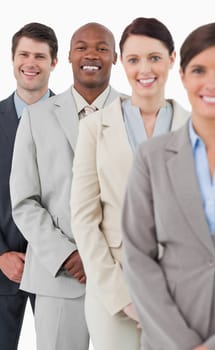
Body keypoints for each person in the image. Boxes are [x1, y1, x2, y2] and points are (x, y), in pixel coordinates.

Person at [70, 17, 189, 350]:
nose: (145, 69)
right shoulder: (95, 128)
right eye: (134, 59)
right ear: (122, 62)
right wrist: (122, 297)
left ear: (172, 58)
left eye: (154, 57)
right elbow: (83, 217)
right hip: (113, 294)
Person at [9, 22, 121, 350]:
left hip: (122, 277)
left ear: (115, 57)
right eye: (82, 47)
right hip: (58, 278)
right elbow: (24, 201)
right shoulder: (36, 117)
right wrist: (67, 254)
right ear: (69, 56)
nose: (91, 54)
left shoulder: (136, 113)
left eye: (102, 48)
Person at [122, 22, 215, 350]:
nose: (211, 83)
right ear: (182, 75)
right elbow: (137, 255)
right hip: (167, 339)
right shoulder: (151, 157)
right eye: (199, 69)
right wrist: (181, 343)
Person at [0, 22, 58, 350]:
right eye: (24, 54)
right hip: (1, 265)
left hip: (59, 270)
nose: (30, 62)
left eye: (40, 55)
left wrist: (60, 254)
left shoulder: (78, 120)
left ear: (54, 62)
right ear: (12, 59)